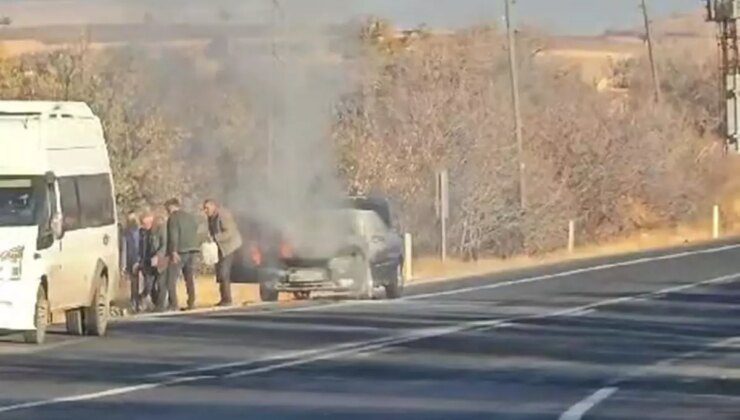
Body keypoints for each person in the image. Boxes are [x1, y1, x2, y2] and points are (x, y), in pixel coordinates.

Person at [203, 199, 243, 306]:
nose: (205, 210)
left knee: (224, 271)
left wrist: (216, 238)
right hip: (220, 246)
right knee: (220, 272)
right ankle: (224, 298)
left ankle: (227, 299)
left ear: (214, 206)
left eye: (207, 208)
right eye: (204, 208)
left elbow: (230, 231)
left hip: (229, 246)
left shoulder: (223, 215)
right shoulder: (210, 217)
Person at [164, 198, 200, 311]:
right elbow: (196, 229)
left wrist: (173, 251)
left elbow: (173, 235)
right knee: (189, 277)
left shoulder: (173, 218)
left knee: (171, 278)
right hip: (193, 249)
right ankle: (191, 302)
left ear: (171, 207)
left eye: (167, 209)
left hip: (180, 251)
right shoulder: (190, 217)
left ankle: (173, 304)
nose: (167, 211)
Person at [138, 210, 167, 312]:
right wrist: (141, 261)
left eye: (148, 223)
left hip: (160, 260)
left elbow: (164, 244)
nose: (146, 225)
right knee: (149, 285)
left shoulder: (160, 229)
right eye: (144, 223)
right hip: (148, 261)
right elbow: (142, 248)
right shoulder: (143, 233)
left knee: (160, 283)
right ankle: (154, 303)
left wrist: (158, 255)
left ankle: (160, 305)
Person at [122, 212, 141, 311]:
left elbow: (136, 247)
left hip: (133, 259)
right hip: (130, 259)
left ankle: (136, 302)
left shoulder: (134, 231)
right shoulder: (128, 231)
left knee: (135, 282)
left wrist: (136, 261)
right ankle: (135, 302)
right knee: (134, 282)